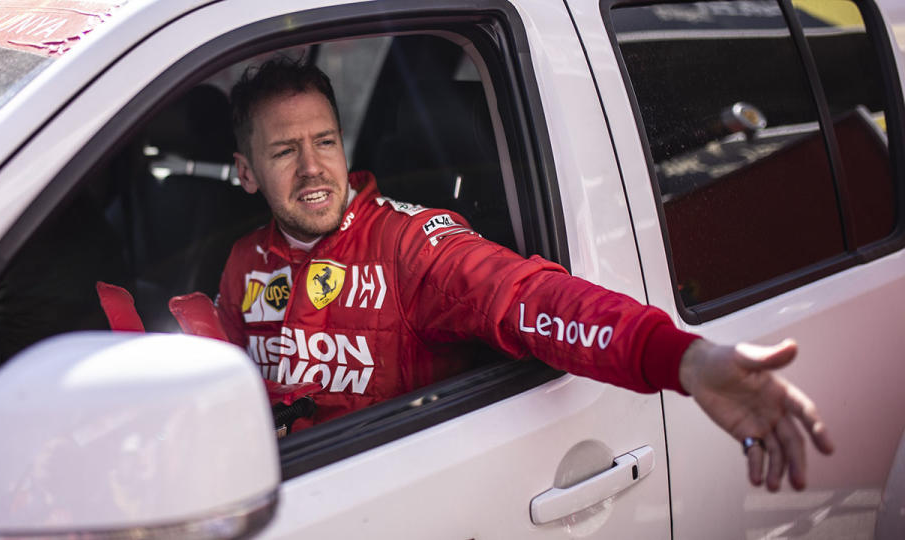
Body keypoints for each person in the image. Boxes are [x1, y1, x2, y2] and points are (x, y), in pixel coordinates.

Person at [216, 59, 833, 493]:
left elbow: (527, 296)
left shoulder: (408, 243)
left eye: (324, 141)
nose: (313, 168)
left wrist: (684, 360)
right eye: (283, 151)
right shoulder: (244, 262)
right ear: (246, 172)